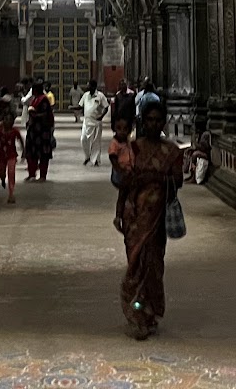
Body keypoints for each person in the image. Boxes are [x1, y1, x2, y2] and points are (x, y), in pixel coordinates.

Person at [113, 96, 183, 338]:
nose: (153, 124)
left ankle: (148, 312)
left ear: (163, 122)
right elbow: (123, 182)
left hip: (157, 218)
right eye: (149, 120)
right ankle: (136, 312)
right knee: (135, 264)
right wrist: (118, 212)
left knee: (153, 265)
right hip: (134, 215)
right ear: (143, 121)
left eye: (158, 120)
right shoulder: (133, 148)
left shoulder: (172, 152)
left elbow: (178, 181)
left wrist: (154, 178)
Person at [24, 78, 56, 181]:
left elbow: (46, 113)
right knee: (31, 153)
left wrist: (35, 115)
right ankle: (32, 173)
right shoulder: (35, 99)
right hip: (34, 131)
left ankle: (42, 175)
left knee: (43, 154)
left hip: (42, 131)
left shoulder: (43, 99)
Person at [0, 100, 22, 204]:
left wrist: (24, 151)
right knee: (2, 172)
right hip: (1, 155)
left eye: (10, 120)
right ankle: (3, 179)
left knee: (11, 172)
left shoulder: (15, 131)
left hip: (11, 155)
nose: (8, 122)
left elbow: (21, 140)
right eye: (6, 119)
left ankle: (11, 193)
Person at [78, 79, 110, 165]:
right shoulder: (85, 95)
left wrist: (101, 116)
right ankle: (87, 156)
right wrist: (72, 108)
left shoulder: (100, 96)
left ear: (94, 87)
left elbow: (106, 107)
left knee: (95, 142)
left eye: (89, 85)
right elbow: (80, 106)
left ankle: (95, 160)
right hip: (86, 121)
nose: (87, 87)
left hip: (96, 122)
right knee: (83, 139)